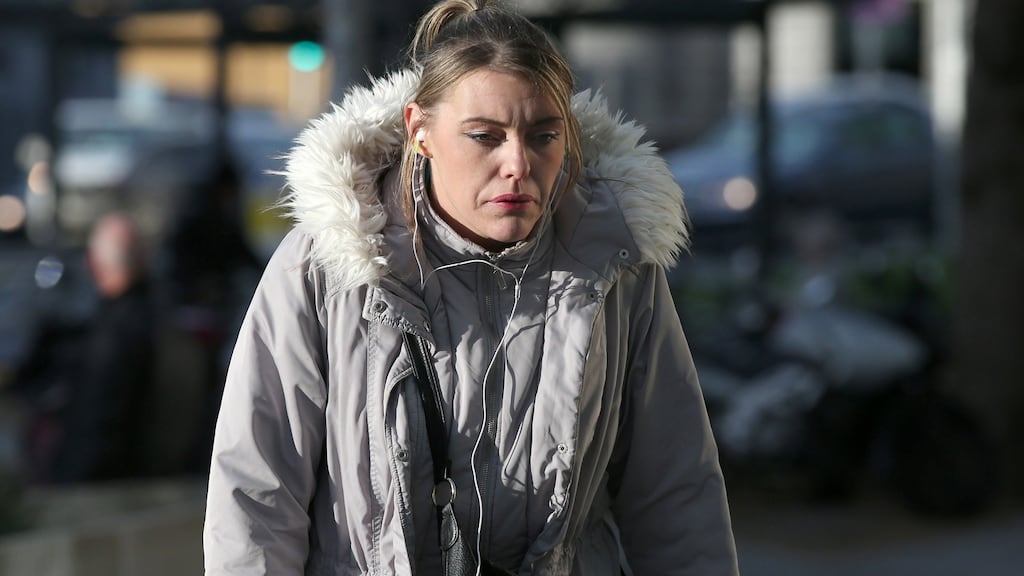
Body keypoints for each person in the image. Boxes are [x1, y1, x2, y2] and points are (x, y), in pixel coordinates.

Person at [204, 1, 739, 574]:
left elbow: (676, 491)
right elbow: (257, 493)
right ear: (421, 131)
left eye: (543, 135)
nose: (517, 163)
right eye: (485, 136)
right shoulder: (327, 265)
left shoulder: (615, 266)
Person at [45, 212, 156, 483]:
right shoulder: (156, 316)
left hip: (107, 485)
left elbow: (95, 429)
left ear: (93, 264)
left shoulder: (111, 337)